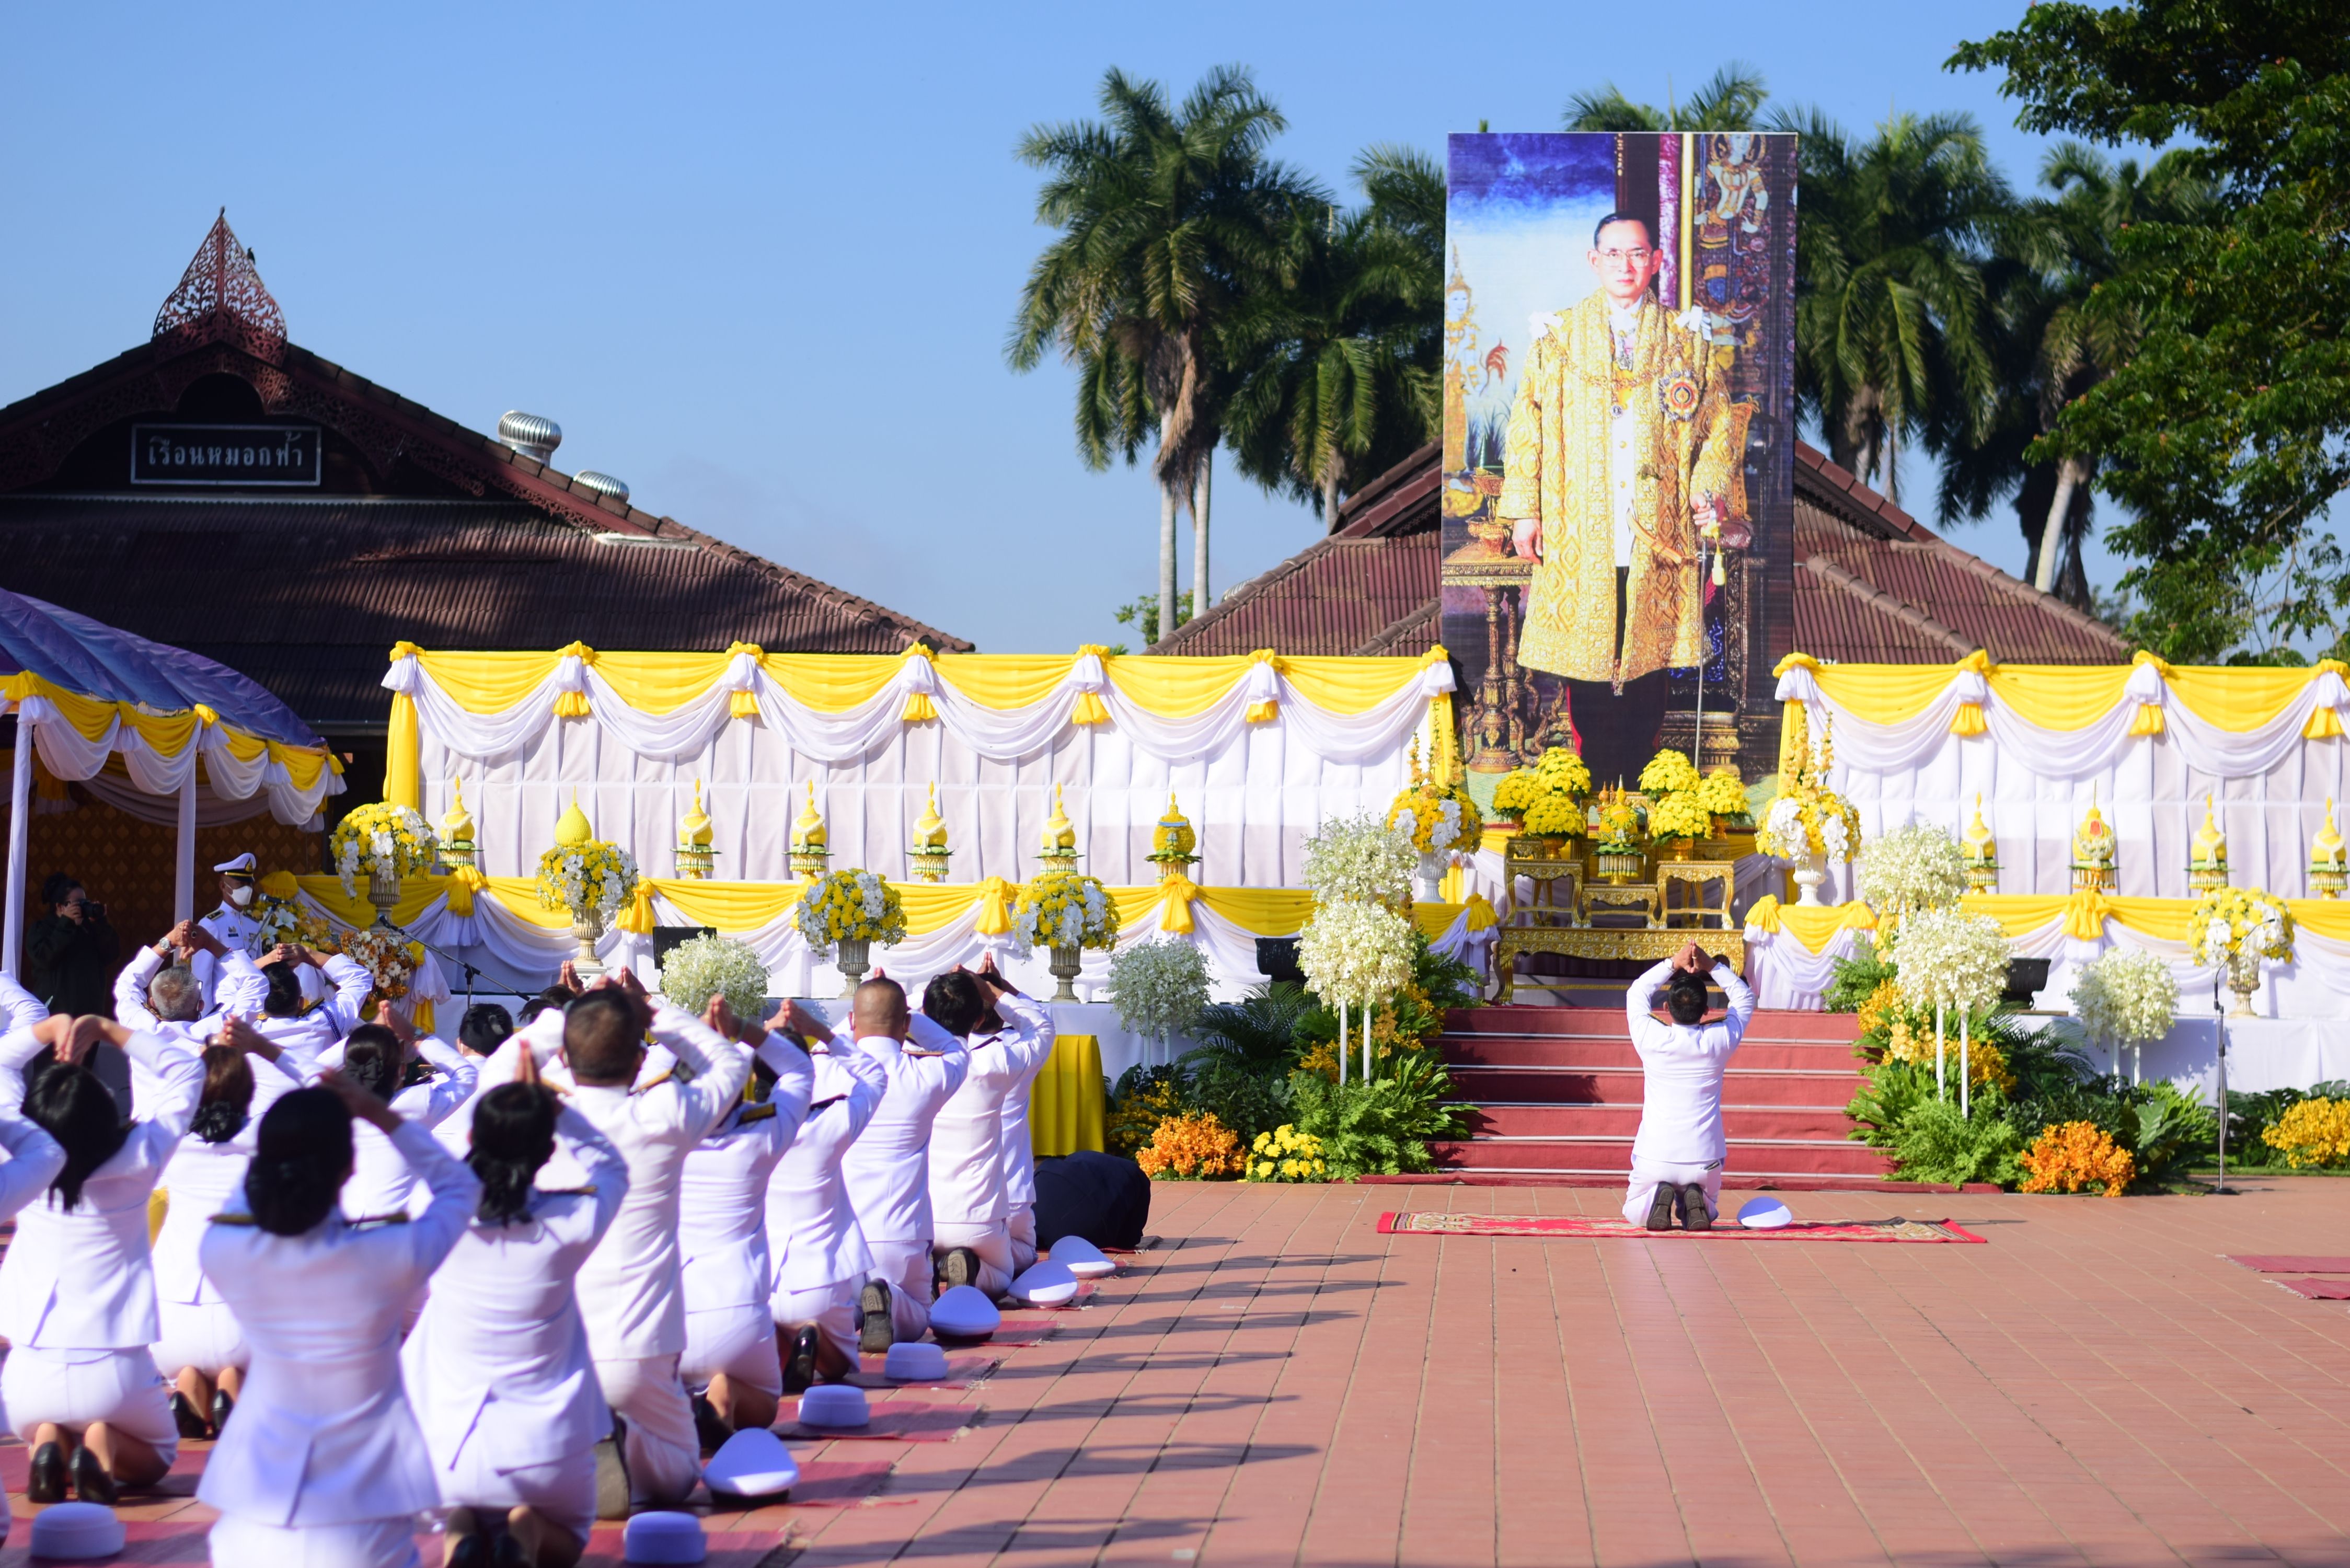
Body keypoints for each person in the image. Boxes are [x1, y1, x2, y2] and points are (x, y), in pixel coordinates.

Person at [481, 971, 750, 1511]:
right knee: (677, 1478)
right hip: (640, 1351)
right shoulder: (665, 1115)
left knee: (555, 1474)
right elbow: (732, 1063)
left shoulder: (534, 1119)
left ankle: (581, 1454)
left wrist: (575, 1012)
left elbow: (497, 1065)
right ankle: (616, 1441)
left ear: (568, 1055)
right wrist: (652, 1010)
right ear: (637, 1062)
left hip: (550, 1356)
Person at [198, 1075, 480, 1567]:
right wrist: (382, 1115)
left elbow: (250, 1192)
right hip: (364, 1522)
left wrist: (284, 1134)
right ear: (351, 1167)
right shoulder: (390, 1254)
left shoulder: (225, 1251)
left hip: (251, 1520)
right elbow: (461, 1186)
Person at [1498, 213, 1753, 695]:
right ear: (1594, 261)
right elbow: (1525, 426)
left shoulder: (1687, 339)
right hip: (1577, 522)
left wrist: (1707, 490)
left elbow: (1719, 424)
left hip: (1658, 524)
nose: (1625, 265)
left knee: (1647, 675)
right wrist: (1524, 512)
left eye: (1637, 254)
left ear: (1656, 261)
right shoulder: (1557, 337)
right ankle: (1590, 771)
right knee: (1587, 675)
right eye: (1613, 254)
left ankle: (1641, 770)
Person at [402, 1069, 628, 1568]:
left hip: (448, 1453)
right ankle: (521, 1532)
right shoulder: (570, 1223)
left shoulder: (436, 1217)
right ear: (547, 1155)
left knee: (458, 1508)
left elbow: (437, 1169)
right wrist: (558, 1111)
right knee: (567, 1539)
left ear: (471, 1142)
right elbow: (613, 1169)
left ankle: (460, 1536)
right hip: (544, 1453)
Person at [0, 1011, 203, 1503]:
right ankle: (102, 1442)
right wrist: (109, 1031)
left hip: (28, 1369)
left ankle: (47, 1439)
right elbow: (188, 1072)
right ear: (103, 1111)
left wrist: (44, 1031)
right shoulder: (140, 1157)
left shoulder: (23, 1167)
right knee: (157, 1457)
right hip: (117, 1365)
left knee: (46, 1425)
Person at [151, 1029, 302, 1441]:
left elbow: (165, 1093)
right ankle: (231, 1389)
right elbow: (322, 1084)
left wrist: (198, 1064)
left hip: (171, 1322)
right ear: (250, 1087)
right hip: (248, 1318)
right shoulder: (268, 1139)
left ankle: (188, 1386)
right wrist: (262, 1047)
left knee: (188, 1363)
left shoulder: (167, 1141)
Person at [677, 1003, 815, 1441]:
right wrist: (743, 1030)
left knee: (649, 1393)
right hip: (739, 1319)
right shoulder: (760, 1137)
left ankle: (658, 1413)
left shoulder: (654, 1137)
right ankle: (722, 1395)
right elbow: (796, 1070)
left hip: (667, 1322)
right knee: (765, 1404)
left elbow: (644, 1082)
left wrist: (688, 1031)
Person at [766, 993, 887, 1390]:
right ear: (808, 1074)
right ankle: (808, 1336)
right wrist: (821, 1031)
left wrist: (755, 1036)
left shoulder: (738, 1131)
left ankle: (784, 1337)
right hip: (820, 1282)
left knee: (761, 1364)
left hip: (760, 1287)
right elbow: (875, 1077)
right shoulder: (829, 1124)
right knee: (838, 1368)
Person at [843, 975, 968, 1352]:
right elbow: (955, 1047)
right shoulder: (926, 1076)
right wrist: (910, 1009)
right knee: (920, 1315)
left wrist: (853, 1019)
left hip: (843, 1240)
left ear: (852, 1021)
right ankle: (888, 1300)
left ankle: (845, 1315)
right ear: (906, 1025)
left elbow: (818, 1047)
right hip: (900, 1234)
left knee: (842, 1312)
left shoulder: (829, 1073)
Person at [927, 961, 1055, 1300]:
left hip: (920, 1218)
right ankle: (970, 1268)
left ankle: (926, 1266)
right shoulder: (999, 1061)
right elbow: (1042, 1027)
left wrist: (935, 989)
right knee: (1007, 1272)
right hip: (982, 1217)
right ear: (980, 1018)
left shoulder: (909, 1064)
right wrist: (993, 991)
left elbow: (873, 1023)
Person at [1621, 940, 1756, 1231]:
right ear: (1707, 1010)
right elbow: (1744, 999)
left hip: (1655, 1156)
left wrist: (1673, 962)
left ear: (1666, 1008)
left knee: (1634, 1210)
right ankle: (1697, 1199)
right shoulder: (1719, 1040)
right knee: (1710, 1204)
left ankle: (1659, 1196)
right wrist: (1712, 966)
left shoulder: (1651, 1038)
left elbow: (1636, 993)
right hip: (1705, 1159)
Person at [317, 1012, 480, 1220]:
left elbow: (310, 1070)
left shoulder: (329, 1106)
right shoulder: (419, 1102)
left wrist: (365, 1036)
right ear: (402, 1070)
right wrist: (415, 1034)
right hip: (397, 1234)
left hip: (339, 1233)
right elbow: (467, 1075)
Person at [990, 958, 1060, 1273]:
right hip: (1012, 1197)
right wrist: (1001, 990)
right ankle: (984, 1270)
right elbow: (1041, 1021)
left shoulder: (940, 1061)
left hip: (943, 1205)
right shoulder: (1014, 1053)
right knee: (1019, 1261)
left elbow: (883, 1020)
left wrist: (947, 986)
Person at [25, 875, 120, 1017]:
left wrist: (101, 924)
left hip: (90, 1015)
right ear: (60, 906)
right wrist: (66, 924)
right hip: (56, 1015)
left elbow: (111, 955)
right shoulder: (42, 929)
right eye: (77, 903)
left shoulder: (89, 929)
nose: (82, 907)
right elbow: (44, 958)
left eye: (85, 902)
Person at [191, 854, 262, 1008]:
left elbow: (259, 966)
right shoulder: (212, 924)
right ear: (223, 887)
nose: (247, 889)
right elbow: (202, 976)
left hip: (252, 1006)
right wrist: (206, 1016)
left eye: (249, 885)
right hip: (223, 1009)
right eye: (240, 884)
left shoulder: (254, 924)